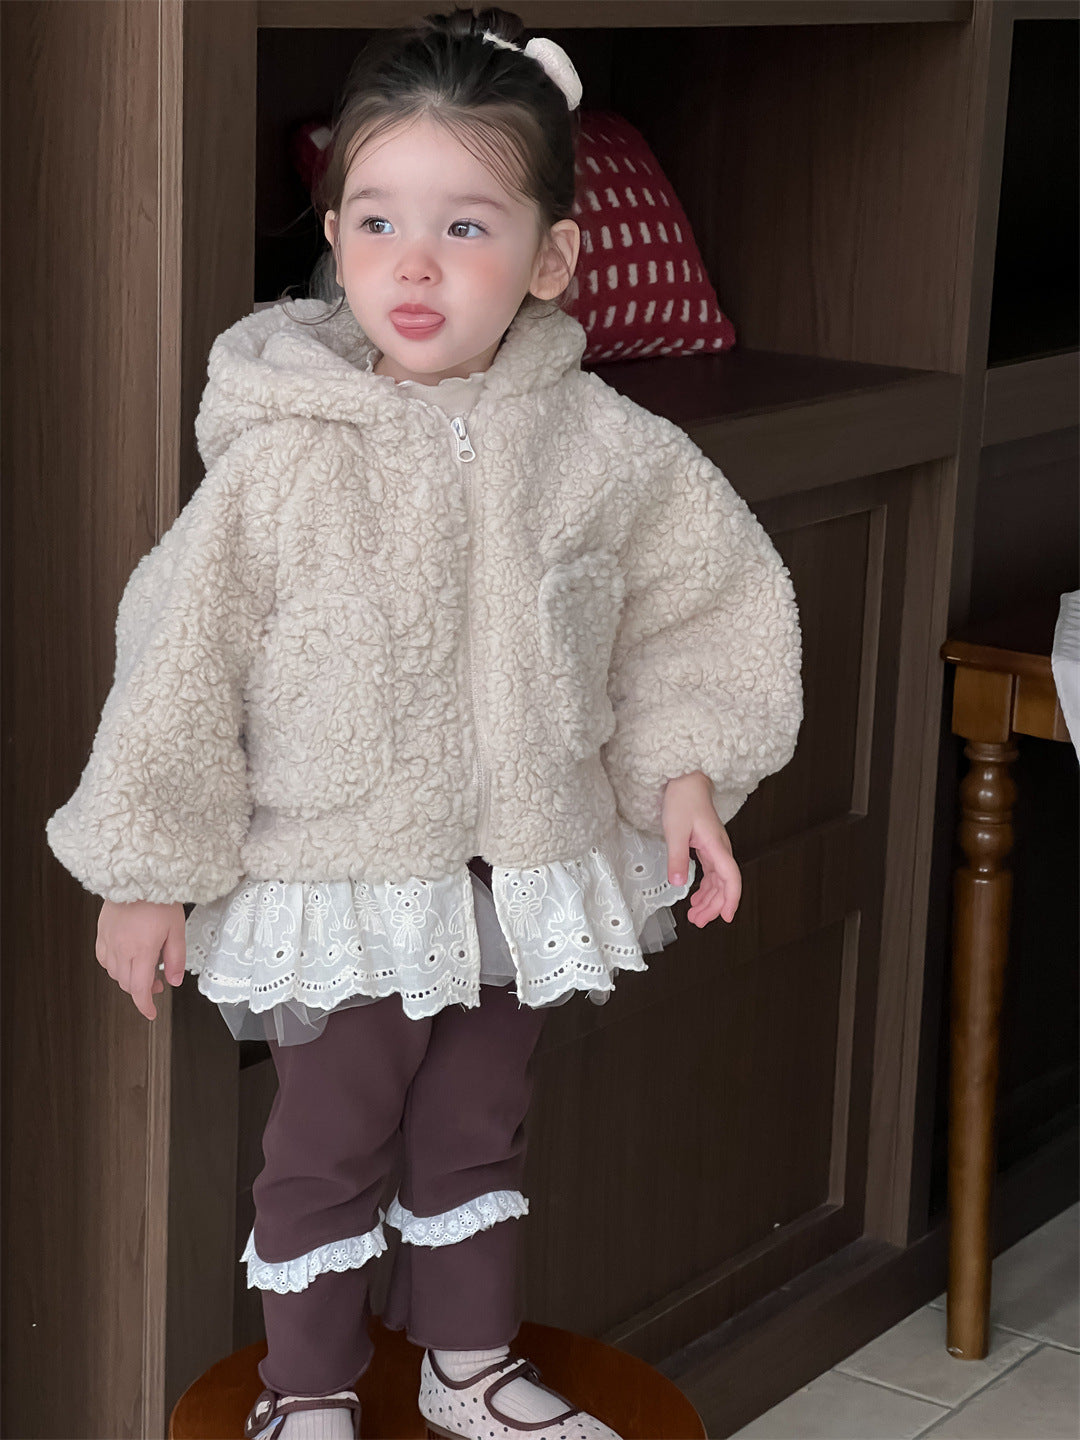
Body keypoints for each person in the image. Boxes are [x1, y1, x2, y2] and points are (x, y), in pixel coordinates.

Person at [44, 7, 803, 1439]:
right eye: (379, 219)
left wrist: (685, 775)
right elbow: (178, 660)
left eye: (465, 227)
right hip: (346, 873)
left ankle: (468, 1368)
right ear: (333, 232)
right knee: (328, 1142)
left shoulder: (607, 450)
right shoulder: (283, 461)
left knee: (476, 1127)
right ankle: (305, 1392)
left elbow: (700, 611)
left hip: (518, 868)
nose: (413, 262)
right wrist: (146, 868)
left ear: (550, 257)